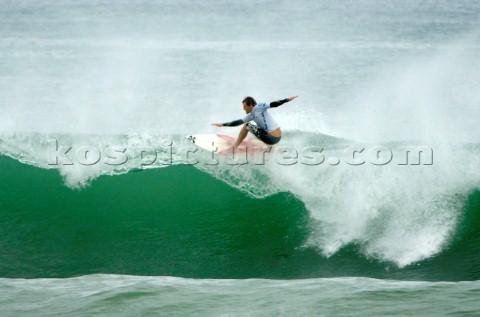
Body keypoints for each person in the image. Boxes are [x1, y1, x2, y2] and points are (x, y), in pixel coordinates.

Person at [211, 96, 299, 148]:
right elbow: (237, 122)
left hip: (272, 138)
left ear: (250, 105)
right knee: (254, 127)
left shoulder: (259, 107)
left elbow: (273, 104)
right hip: (276, 138)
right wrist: (222, 124)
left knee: (247, 126)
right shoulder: (251, 115)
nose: (243, 108)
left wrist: (286, 100)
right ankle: (269, 148)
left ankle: (235, 146)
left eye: (245, 106)